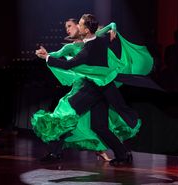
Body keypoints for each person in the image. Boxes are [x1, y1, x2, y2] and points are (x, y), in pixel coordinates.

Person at [34, 14, 155, 166]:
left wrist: (46, 57)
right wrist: (113, 28)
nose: (77, 26)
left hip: (93, 89)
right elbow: (105, 28)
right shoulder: (97, 39)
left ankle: (55, 152)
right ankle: (122, 154)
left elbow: (67, 65)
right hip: (102, 89)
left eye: (79, 24)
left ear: (85, 29)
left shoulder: (88, 49)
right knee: (99, 126)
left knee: (66, 114)